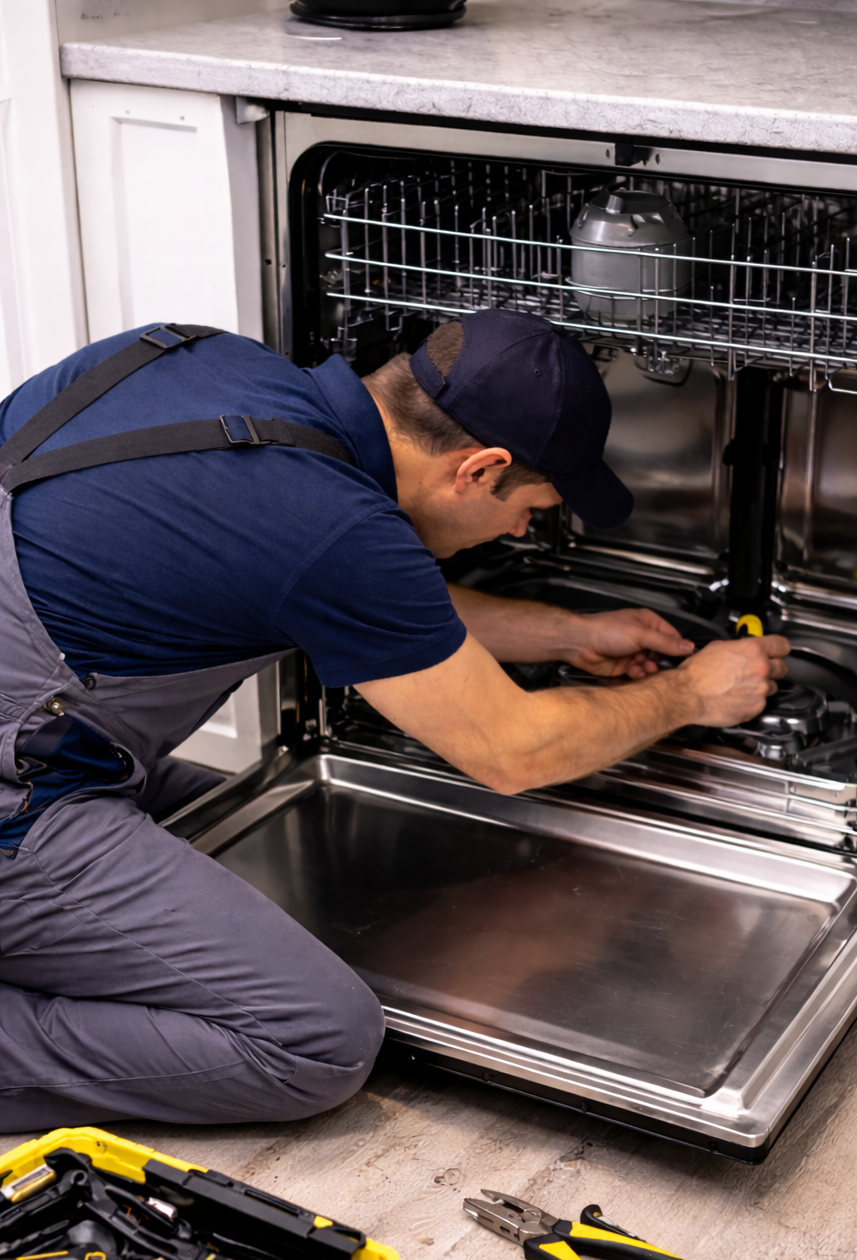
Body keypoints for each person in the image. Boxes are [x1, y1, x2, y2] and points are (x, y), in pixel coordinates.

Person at [0, 310, 788, 1133]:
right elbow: (515, 752)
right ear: (479, 470)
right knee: (317, 1039)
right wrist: (690, 695)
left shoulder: (202, 360)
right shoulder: (332, 526)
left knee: (258, 841)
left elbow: (361, 593)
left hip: (41, 733)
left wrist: (570, 633)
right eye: (533, 507)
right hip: (22, 792)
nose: (523, 530)